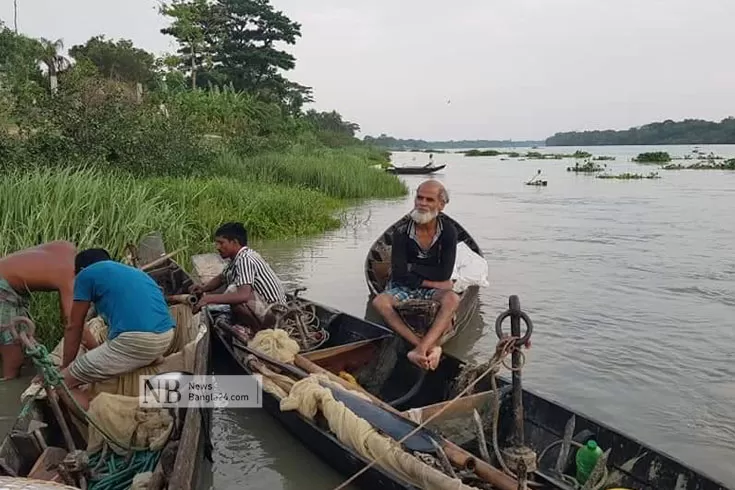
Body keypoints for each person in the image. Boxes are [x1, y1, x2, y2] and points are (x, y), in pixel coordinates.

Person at [59, 248, 175, 407]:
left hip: (136, 341)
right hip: (165, 337)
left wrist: (66, 368)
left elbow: (74, 326)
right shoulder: (135, 272)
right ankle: (153, 359)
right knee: (135, 348)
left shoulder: (85, 275)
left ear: (80, 270)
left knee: (62, 383)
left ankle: (95, 424)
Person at [372, 180, 460, 371]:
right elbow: (400, 274)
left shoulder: (449, 232)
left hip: (430, 287)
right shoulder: (401, 232)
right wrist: (433, 280)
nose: (422, 203)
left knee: (452, 299)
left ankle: (419, 349)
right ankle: (428, 347)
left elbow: (445, 271)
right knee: (380, 302)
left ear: (441, 205)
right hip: (405, 286)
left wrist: (412, 269)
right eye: (419, 197)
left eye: (429, 199)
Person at [0, 241, 98, 380]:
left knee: (22, 334)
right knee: (12, 340)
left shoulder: (68, 249)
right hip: (3, 286)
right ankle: (8, 382)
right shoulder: (69, 275)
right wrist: (98, 349)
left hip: (14, 287)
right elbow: (72, 322)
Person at [192, 222, 287, 333]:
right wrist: (203, 288)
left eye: (221, 243)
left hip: (275, 314)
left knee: (233, 291)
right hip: (269, 309)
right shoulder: (237, 258)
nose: (217, 247)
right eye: (217, 243)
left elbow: (242, 295)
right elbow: (222, 277)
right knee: (232, 290)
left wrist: (209, 299)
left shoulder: (244, 259)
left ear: (235, 242)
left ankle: (258, 331)